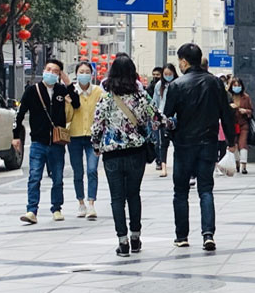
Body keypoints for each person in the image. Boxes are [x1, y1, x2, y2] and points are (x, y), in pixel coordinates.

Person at [162, 43, 236, 251]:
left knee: (180, 191)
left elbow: (168, 117)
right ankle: (208, 234)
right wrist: (231, 142)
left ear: (184, 61)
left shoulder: (177, 85)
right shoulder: (215, 83)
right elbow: (226, 115)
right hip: (208, 142)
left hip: (184, 144)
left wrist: (168, 138)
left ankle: (182, 236)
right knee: (206, 188)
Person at [91, 54, 161, 257]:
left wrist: (96, 145)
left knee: (117, 198)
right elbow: (155, 118)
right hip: (136, 153)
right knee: (133, 195)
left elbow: (97, 126)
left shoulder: (105, 98)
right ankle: (136, 238)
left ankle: (122, 243)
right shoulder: (141, 97)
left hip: (112, 154)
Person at [13, 59, 76, 224]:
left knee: (58, 178)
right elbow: (20, 114)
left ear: (59, 74)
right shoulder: (32, 90)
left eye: (55, 71)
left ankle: (56, 208)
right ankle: (31, 211)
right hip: (38, 142)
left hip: (57, 143)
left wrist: (67, 82)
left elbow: (76, 103)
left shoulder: (61, 90)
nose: (51, 73)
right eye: (48, 69)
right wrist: (16, 136)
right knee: (34, 176)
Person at [67, 62, 103, 220]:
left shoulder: (98, 91)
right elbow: (67, 116)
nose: (84, 74)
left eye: (87, 71)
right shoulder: (72, 91)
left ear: (92, 74)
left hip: (93, 137)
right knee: (78, 171)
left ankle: (91, 204)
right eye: (81, 71)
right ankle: (80, 202)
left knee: (92, 169)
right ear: (76, 74)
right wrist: (68, 103)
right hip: (74, 136)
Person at [151, 63, 176, 177]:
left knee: (177, 143)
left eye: (170, 74)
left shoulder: (178, 84)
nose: (168, 76)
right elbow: (155, 101)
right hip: (162, 117)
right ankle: (163, 166)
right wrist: (155, 116)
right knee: (163, 144)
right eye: (165, 74)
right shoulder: (159, 85)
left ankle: (177, 165)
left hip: (175, 117)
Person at [227, 77, 254, 173]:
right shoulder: (228, 97)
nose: (237, 87)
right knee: (234, 144)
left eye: (238, 85)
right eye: (235, 85)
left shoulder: (245, 97)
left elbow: (251, 110)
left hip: (243, 124)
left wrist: (245, 111)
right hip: (232, 124)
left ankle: (244, 166)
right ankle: (237, 163)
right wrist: (230, 107)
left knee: (243, 144)